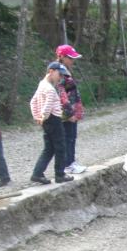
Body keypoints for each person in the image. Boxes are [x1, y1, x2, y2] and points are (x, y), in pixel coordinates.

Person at [30, 62, 74, 185]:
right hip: (53, 119)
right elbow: (48, 104)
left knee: (49, 148)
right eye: (59, 74)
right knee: (60, 147)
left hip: (46, 121)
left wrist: (37, 116)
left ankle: (37, 173)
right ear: (51, 71)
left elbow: (32, 102)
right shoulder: (49, 88)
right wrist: (43, 116)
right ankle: (60, 174)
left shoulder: (41, 85)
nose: (60, 78)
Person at [55, 44, 87, 175]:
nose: (72, 61)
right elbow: (61, 95)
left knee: (72, 137)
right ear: (61, 57)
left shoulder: (66, 71)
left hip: (72, 110)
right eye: (70, 58)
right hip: (67, 113)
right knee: (68, 138)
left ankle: (71, 162)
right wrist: (69, 113)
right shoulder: (60, 73)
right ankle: (68, 165)